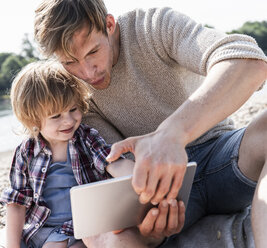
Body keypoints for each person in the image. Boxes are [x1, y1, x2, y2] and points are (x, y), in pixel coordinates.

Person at [34, 0, 267, 247]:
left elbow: (248, 62)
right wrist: (150, 232)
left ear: (109, 25)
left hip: (222, 159)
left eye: (92, 52)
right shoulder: (73, 93)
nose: (88, 73)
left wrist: (171, 134)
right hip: (158, 195)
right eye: (70, 62)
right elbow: (117, 168)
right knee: (100, 236)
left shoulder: (152, 27)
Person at [0, 60, 162, 248]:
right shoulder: (26, 152)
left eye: (73, 109)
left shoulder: (85, 138)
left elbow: (112, 162)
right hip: (41, 228)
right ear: (33, 119)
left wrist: (142, 178)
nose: (68, 120)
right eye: (56, 116)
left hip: (84, 226)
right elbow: (17, 203)